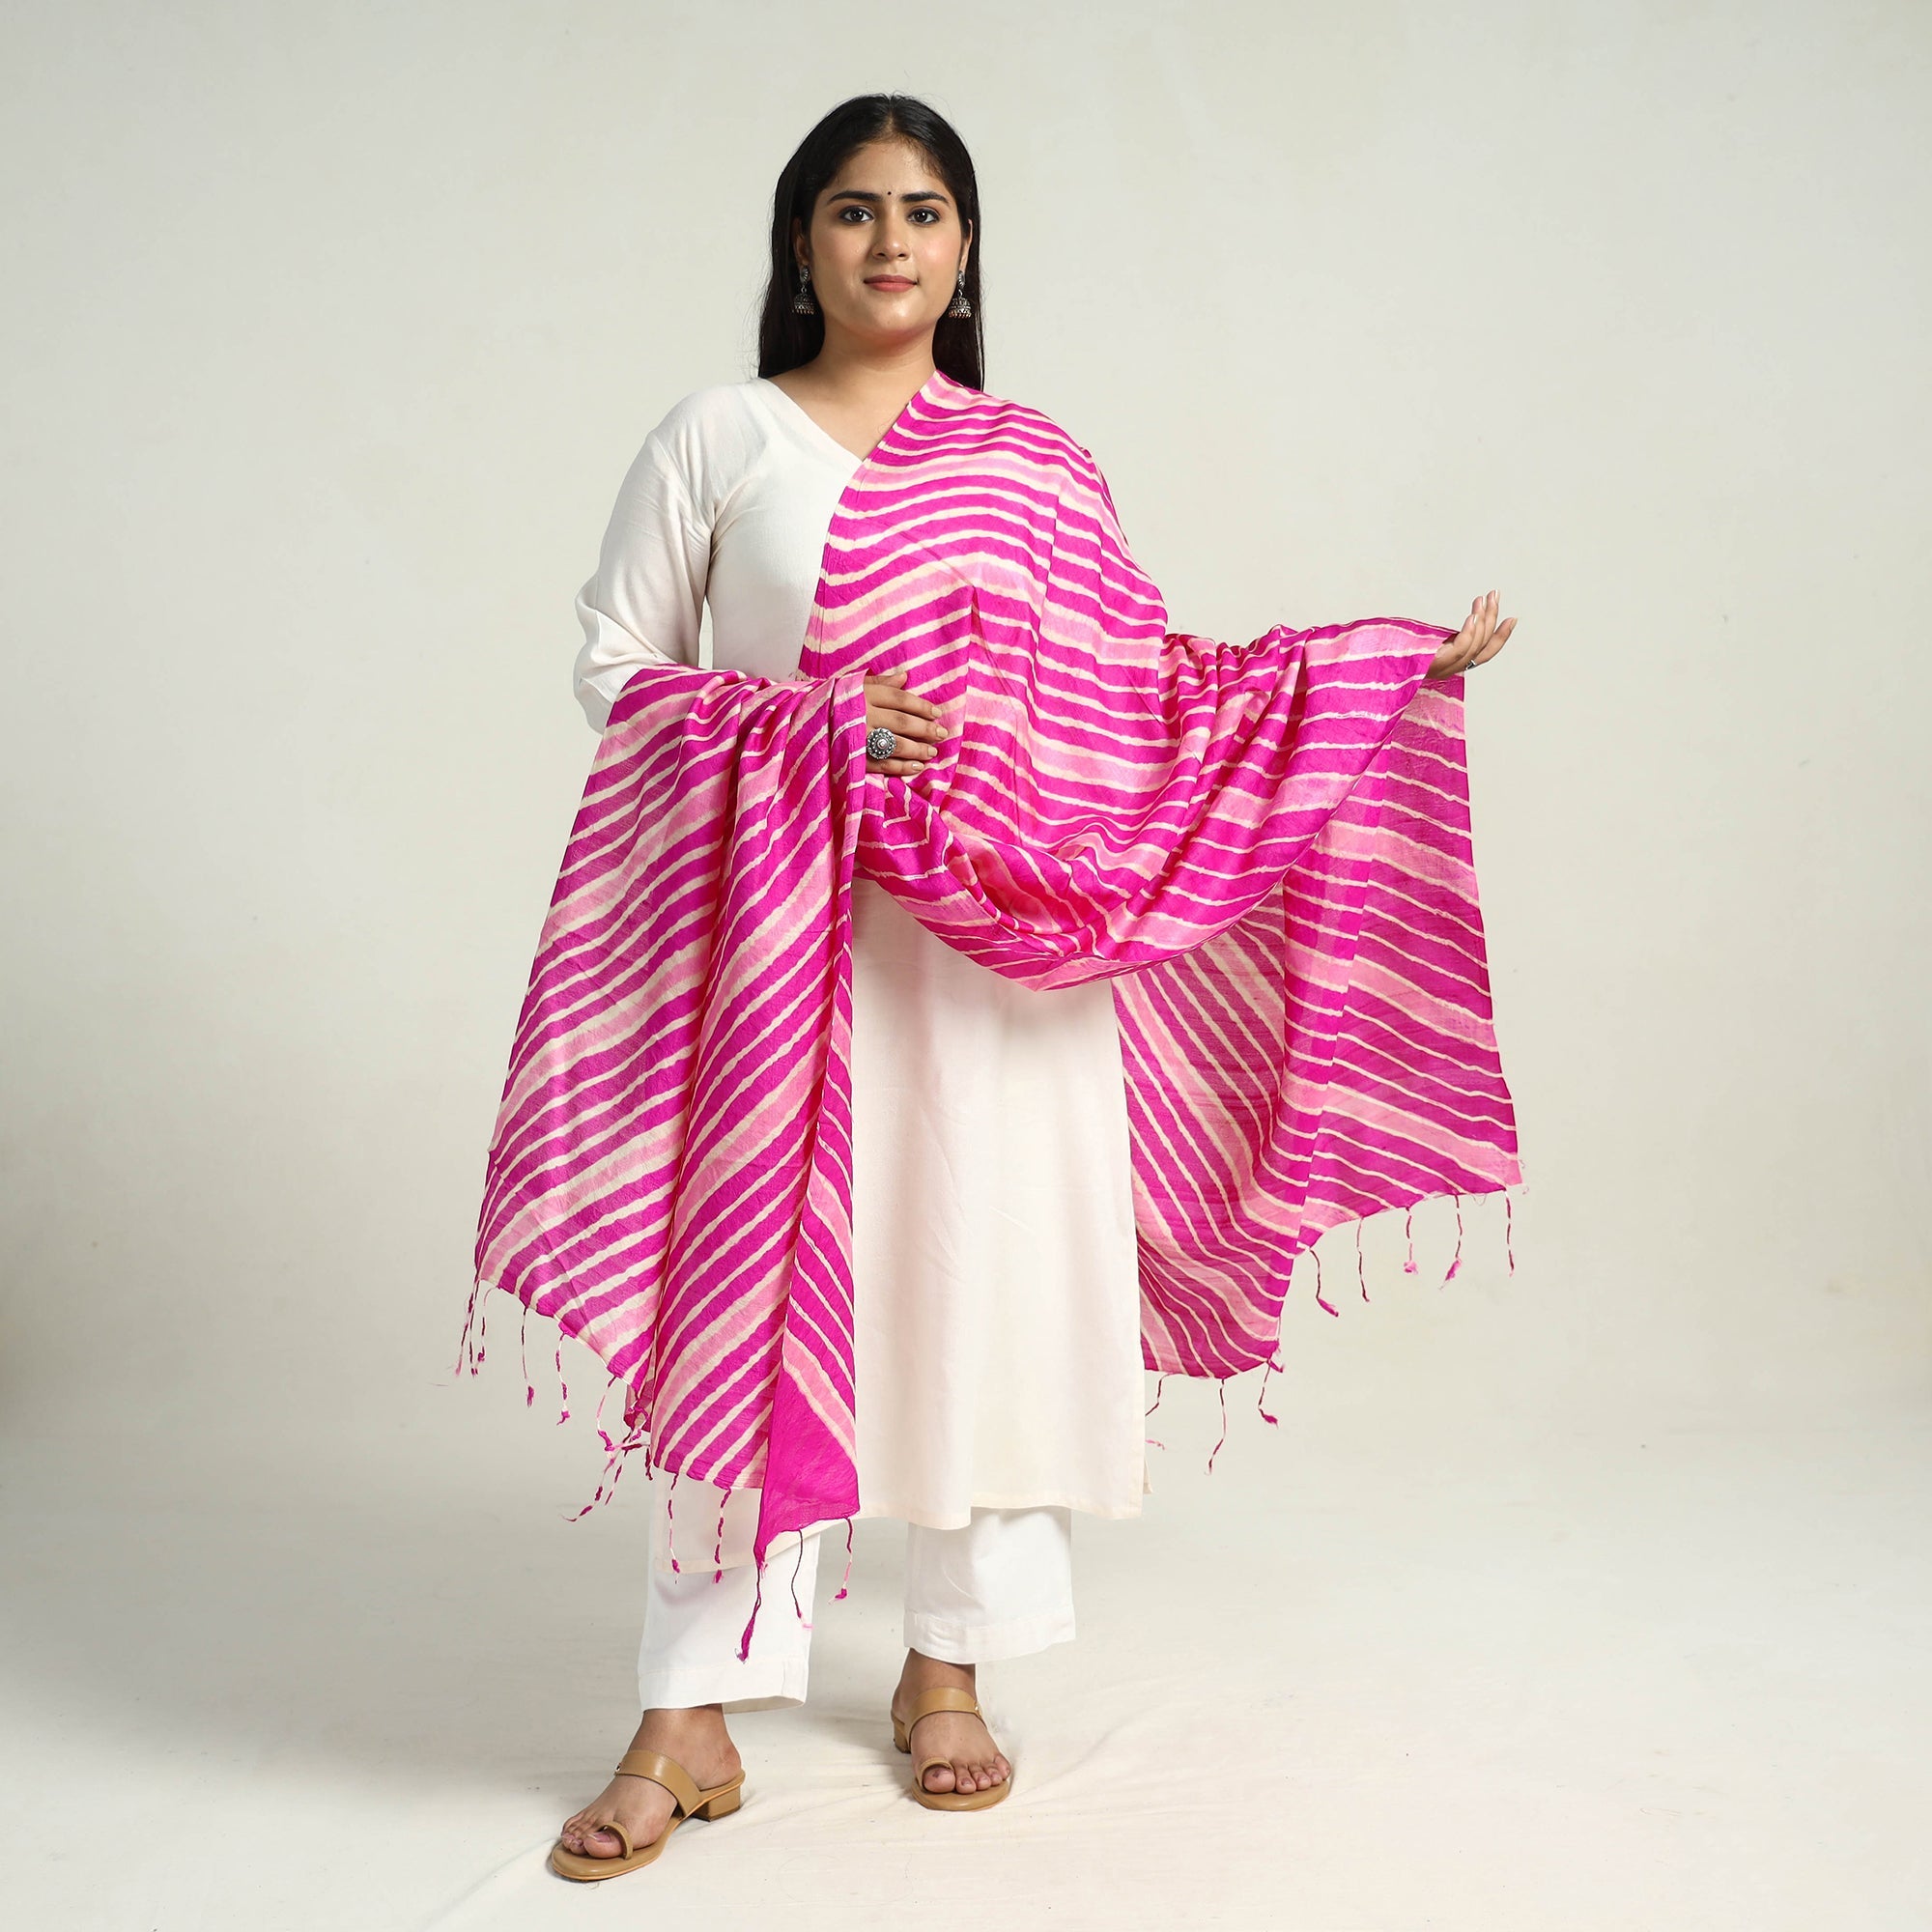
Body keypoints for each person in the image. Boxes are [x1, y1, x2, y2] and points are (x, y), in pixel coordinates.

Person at [545, 93, 1515, 1880]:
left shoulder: (1034, 465)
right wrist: (807, 728)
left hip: (1013, 966)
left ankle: (950, 1664)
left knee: (985, 1284)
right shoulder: (723, 436)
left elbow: (1150, 690)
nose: (890, 240)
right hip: (790, 947)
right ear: (800, 243)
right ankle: (688, 1710)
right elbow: (616, 668)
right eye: (854, 209)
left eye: (924, 210)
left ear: (967, 248)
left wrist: (1374, 666)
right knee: (743, 1300)